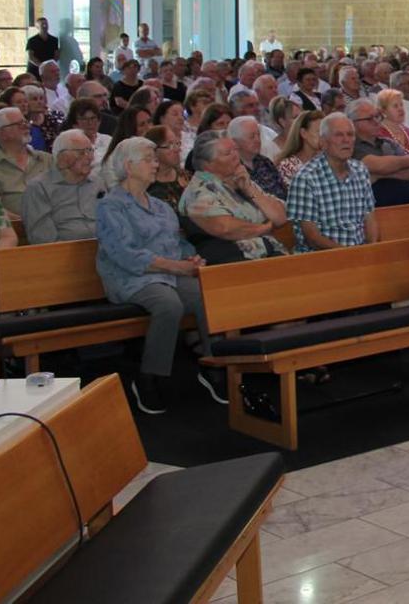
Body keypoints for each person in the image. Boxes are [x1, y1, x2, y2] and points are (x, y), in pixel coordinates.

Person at [95, 137, 217, 414]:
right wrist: (176, 267)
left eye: (155, 158)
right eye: (149, 160)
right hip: (130, 277)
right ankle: (148, 376)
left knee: (205, 295)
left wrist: (191, 258)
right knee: (168, 304)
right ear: (129, 166)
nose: (155, 164)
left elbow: (176, 242)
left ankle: (215, 365)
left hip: (168, 274)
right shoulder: (110, 206)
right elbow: (125, 255)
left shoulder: (160, 206)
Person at [179, 132, 289, 263]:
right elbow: (226, 228)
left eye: (235, 150)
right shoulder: (198, 190)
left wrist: (249, 189)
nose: (236, 156)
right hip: (236, 261)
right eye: (228, 153)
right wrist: (266, 228)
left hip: (272, 251)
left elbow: (281, 217)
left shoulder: (239, 179)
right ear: (207, 164)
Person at [286, 113, 378, 250]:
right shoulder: (306, 178)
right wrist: (349, 255)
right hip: (322, 257)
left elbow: (370, 220)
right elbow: (312, 237)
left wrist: (372, 250)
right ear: (323, 142)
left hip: (359, 253)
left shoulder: (360, 170)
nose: (346, 140)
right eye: (338, 135)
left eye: (350, 134)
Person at [347, 98, 409, 206]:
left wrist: (378, 175)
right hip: (376, 207)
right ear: (352, 123)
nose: (376, 122)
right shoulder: (351, 147)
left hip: (406, 204)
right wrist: (406, 162)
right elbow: (378, 166)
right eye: (369, 119)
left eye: (377, 117)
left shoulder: (389, 143)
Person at [0, 105, 52, 211]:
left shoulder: (47, 159)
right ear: (2, 133)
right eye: (19, 124)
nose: (27, 127)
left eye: (26, 122)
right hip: (13, 220)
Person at [227, 116, 287, 200]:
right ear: (235, 142)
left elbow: (284, 192)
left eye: (258, 135)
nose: (257, 140)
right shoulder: (232, 170)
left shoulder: (265, 161)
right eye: (252, 137)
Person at [274, 108, 326, 188]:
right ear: (303, 133)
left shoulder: (329, 160)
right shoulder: (287, 167)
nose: (323, 137)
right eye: (318, 132)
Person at [144, 124, 190, 209]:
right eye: (170, 145)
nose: (177, 149)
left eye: (177, 143)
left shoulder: (185, 176)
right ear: (154, 150)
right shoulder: (148, 186)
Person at [375, 88, 409, 153]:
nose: (400, 109)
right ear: (383, 111)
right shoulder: (378, 134)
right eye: (395, 106)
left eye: (401, 105)